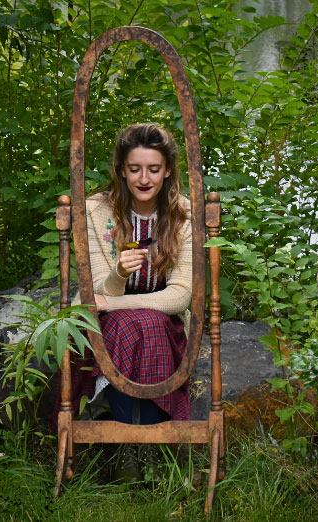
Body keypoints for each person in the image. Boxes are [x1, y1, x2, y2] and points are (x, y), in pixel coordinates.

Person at [54, 122, 192, 482]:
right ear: (120, 170)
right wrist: (118, 273)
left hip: (161, 319)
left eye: (153, 169)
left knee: (143, 323)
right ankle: (132, 447)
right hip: (106, 326)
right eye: (134, 169)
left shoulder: (183, 215)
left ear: (167, 172)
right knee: (127, 324)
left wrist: (112, 303)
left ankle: (136, 446)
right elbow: (95, 290)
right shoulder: (97, 211)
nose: (144, 178)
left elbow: (180, 296)